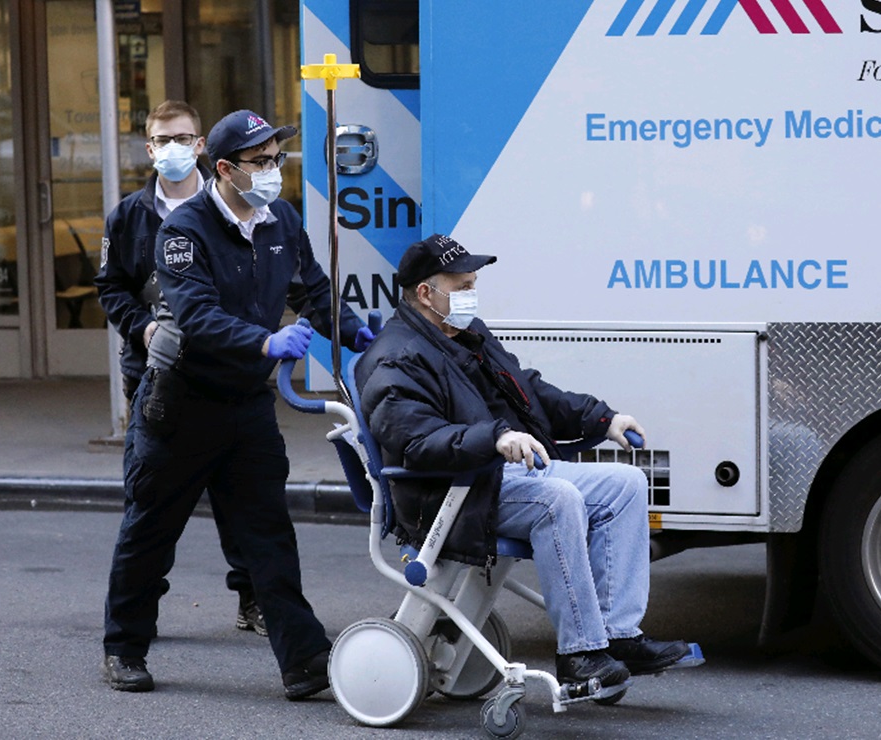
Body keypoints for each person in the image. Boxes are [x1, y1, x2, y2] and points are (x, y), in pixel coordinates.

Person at [101, 109, 374, 699]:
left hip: (247, 404)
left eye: (278, 159)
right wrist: (264, 340)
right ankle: (123, 647)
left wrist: (358, 334)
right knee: (151, 529)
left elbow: (313, 289)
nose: (274, 171)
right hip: (181, 404)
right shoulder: (184, 231)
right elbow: (195, 315)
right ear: (224, 168)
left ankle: (304, 661)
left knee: (267, 533)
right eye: (262, 162)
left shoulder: (280, 218)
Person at [356, 234, 691, 691]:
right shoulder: (393, 357)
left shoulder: (468, 334)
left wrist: (601, 416)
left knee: (627, 483)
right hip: (451, 491)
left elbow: (529, 389)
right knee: (558, 498)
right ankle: (580, 654)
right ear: (425, 293)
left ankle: (617, 637)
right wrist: (494, 437)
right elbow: (415, 441)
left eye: (474, 283)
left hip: (499, 474)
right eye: (463, 285)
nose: (472, 293)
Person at [94, 100, 267, 638]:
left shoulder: (232, 207)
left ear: (202, 147)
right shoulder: (129, 215)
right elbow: (111, 286)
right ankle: (136, 622)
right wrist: (141, 330)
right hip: (153, 375)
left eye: (185, 137)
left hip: (227, 374)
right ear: (149, 149)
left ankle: (252, 600)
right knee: (149, 506)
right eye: (163, 140)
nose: (174, 148)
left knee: (243, 502)